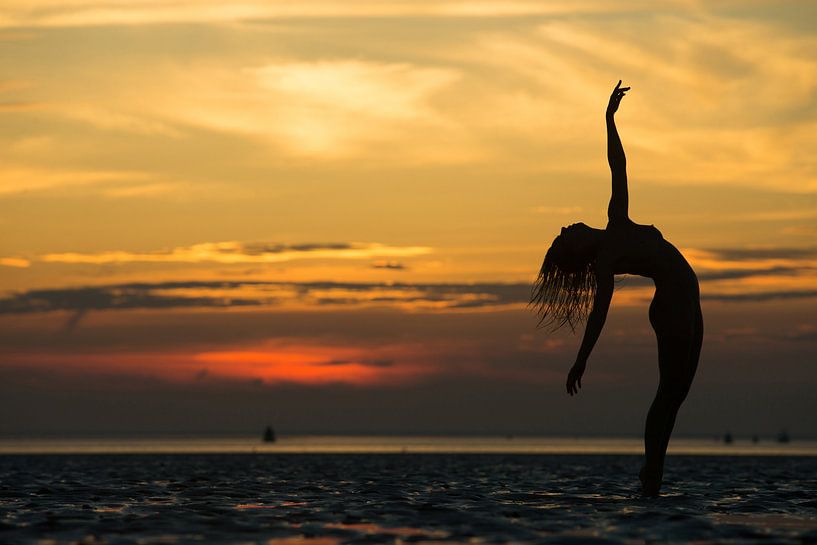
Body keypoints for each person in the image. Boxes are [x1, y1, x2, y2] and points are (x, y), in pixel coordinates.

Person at [531, 81, 703, 496]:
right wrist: (581, 360)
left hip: (681, 302)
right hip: (674, 305)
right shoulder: (608, 256)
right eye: (562, 239)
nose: (563, 229)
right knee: (668, 396)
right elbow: (599, 315)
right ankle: (652, 476)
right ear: (578, 253)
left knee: (673, 397)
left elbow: (618, 164)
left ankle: (653, 475)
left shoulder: (615, 229)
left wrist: (608, 119)